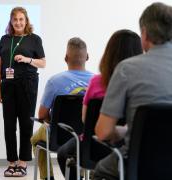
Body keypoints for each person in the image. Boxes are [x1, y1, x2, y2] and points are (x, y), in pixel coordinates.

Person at [93, 2, 172, 180]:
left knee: (101, 170)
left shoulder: (127, 69)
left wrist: (124, 132)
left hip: (140, 164)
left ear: (144, 34)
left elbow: (103, 132)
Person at [57, 29, 143, 180]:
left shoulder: (97, 82)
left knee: (63, 153)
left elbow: (85, 119)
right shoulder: (142, 84)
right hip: (134, 147)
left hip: (95, 147)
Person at [31, 37, 93, 180]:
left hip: (57, 137)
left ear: (66, 58)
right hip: (86, 137)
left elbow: (42, 114)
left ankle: (48, 178)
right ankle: (81, 175)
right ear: (87, 57)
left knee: (35, 140)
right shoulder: (97, 81)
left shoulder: (54, 81)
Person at [0, 6, 46, 177]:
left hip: (28, 85)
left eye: (21, 19)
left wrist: (27, 59)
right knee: (9, 125)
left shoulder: (34, 39)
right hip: (7, 86)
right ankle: (12, 163)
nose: (18, 22)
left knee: (26, 124)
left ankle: (23, 163)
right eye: (15, 19)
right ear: (11, 21)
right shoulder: (5, 39)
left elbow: (43, 63)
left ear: (26, 21)